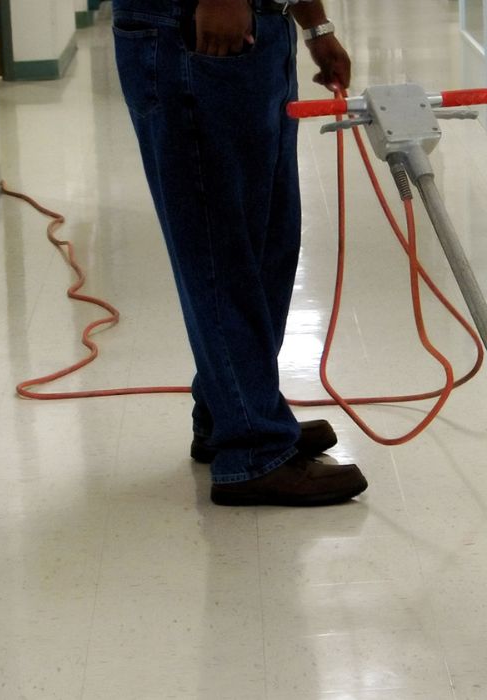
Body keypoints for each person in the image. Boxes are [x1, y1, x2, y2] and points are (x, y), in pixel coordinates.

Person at [111, 0, 367, 506]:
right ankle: (253, 450)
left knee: (267, 242)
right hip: (196, 29)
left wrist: (314, 25)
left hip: (255, 30)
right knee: (219, 248)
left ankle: (229, 410)